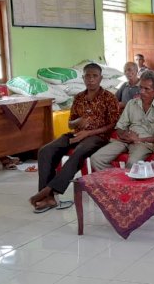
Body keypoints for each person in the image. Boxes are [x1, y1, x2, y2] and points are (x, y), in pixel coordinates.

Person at [29, 63, 119, 213]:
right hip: (76, 134)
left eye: (94, 76)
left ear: (101, 78)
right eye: (87, 76)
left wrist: (89, 133)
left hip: (97, 137)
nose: (91, 79)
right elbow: (70, 123)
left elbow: (113, 124)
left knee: (79, 151)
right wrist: (78, 122)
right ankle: (48, 197)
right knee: (45, 151)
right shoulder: (78, 98)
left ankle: (49, 189)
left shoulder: (109, 98)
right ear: (83, 78)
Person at [90, 70, 154, 170]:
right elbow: (120, 126)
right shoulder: (131, 103)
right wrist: (125, 135)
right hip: (125, 140)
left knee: (132, 164)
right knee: (96, 159)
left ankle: (124, 182)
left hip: (145, 144)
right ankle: (117, 181)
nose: (142, 91)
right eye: (140, 87)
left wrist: (139, 139)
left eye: (147, 89)